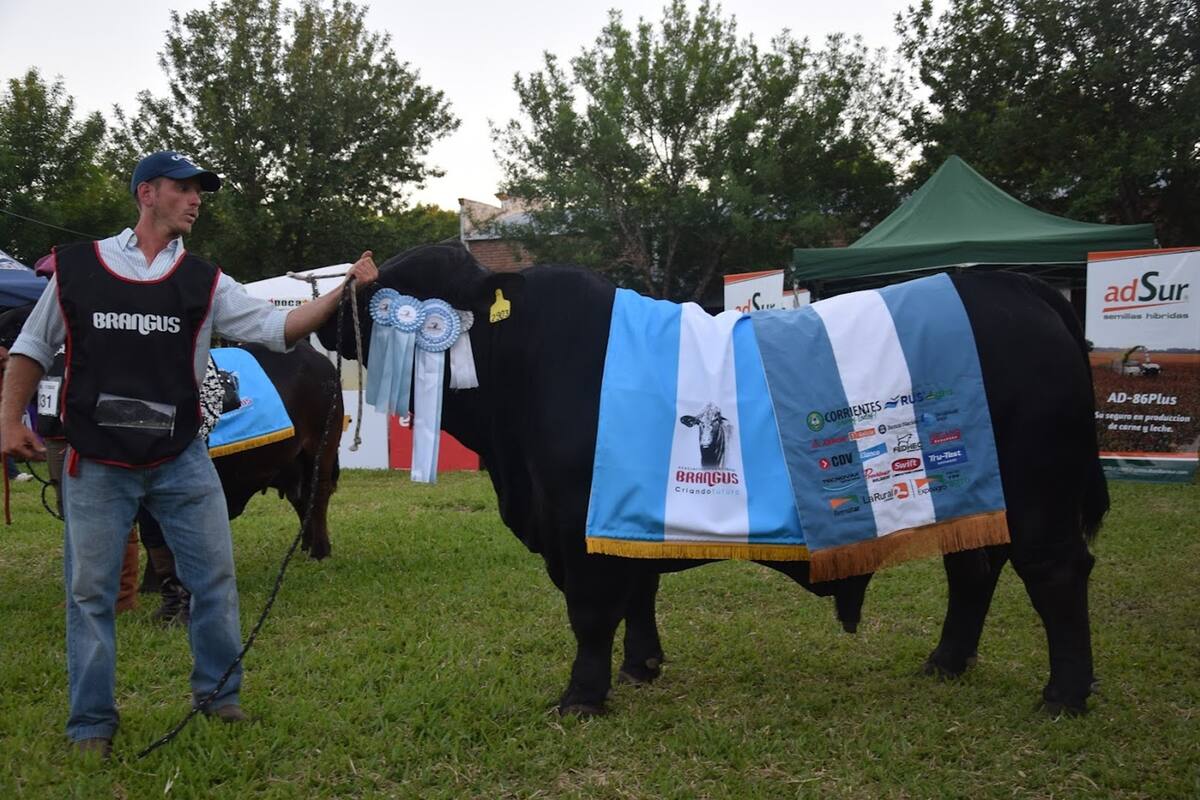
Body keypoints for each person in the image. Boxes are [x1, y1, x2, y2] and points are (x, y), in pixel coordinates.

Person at [0, 150, 378, 759]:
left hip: (181, 458)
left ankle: (219, 696)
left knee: (214, 579)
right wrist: (5, 421)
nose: (196, 198)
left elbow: (279, 327)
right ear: (147, 193)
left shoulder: (205, 280)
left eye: (200, 190)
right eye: (184, 188)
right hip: (96, 461)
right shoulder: (76, 270)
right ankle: (91, 724)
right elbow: (30, 348)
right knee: (91, 592)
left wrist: (343, 289)